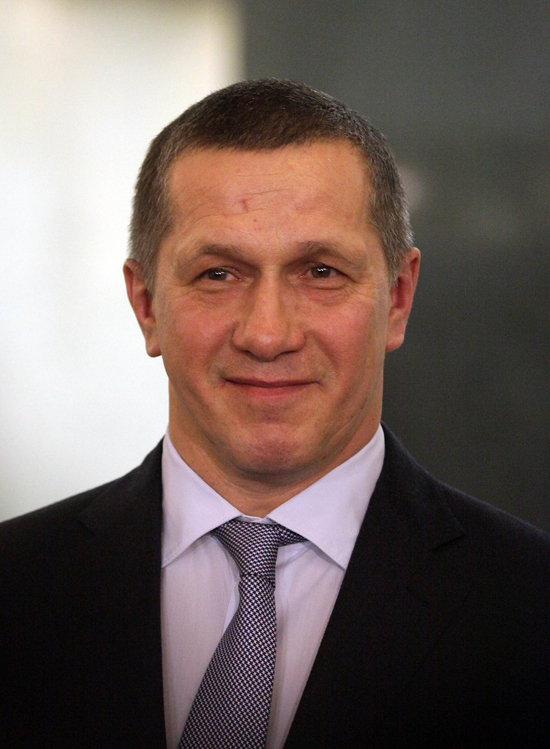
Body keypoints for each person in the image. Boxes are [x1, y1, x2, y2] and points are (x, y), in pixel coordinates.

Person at [1, 79, 549, 749]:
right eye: (218, 274)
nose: (267, 334)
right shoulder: (15, 587)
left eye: (320, 272)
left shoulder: (531, 608)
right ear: (146, 305)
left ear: (398, 298)